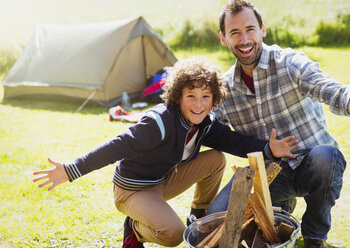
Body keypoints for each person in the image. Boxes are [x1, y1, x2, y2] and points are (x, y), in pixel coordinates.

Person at [32, 56, 299, 248]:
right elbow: (117, 146)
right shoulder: (159, 122)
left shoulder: (206, 123)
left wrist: (267, 148)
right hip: (133, 190)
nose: (198, 104)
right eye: (190, 96)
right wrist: (71, 170)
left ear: (214, 98)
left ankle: (198, 214)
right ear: (177, 96)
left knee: (216, 158)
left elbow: (234, 142)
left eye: (206, 96)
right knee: (174, 235)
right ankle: (134, 229)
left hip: (162, 181)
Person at [206, 1, 350, 248]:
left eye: (250, 29)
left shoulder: (290, 62)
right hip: (268, 176)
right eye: (235, 33)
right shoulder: (225, 88)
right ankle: (280, 207)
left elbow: (336, 92)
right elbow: (205, 124)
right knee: (214, 218)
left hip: (312, 164)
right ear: (223, 39)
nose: (244, 39)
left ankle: (315, 236)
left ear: (262, 29)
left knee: (326, 157)